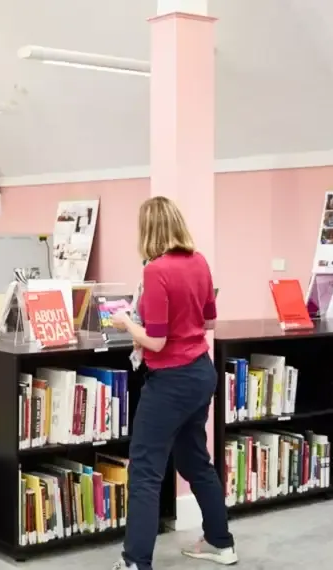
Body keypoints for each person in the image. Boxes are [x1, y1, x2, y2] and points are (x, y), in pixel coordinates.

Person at [110, 196, 238, 569]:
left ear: (148, 230)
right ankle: (220, 542)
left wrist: (126, 323)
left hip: (170, 381)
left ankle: (135, 562)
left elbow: (157, 341)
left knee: (146, 470)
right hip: (201, 373)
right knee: (195, 460)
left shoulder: (155, 271)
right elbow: (210, 323)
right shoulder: (199, 262)